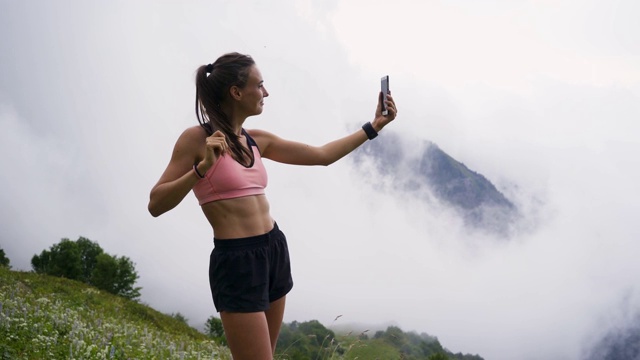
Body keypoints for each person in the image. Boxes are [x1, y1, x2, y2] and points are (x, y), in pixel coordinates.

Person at [148, 52, 397, 360]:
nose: (265, 93)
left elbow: (321, 155)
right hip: (237, 261)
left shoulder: (257, 140)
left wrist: (374, 126)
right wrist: (201, 169)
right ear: (237, 92)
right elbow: (156, 203)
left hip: (274, 249)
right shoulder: (196, 140)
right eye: (260, 85)